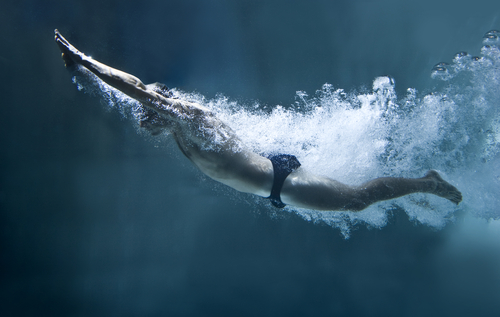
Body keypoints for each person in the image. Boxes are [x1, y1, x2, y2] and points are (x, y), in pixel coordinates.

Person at [54, 30, 462, 211]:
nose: (143, 121)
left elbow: (133, 88)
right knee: (352, 202)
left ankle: (428, 182)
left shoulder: (188, 116)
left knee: (355, 201)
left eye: (149, 112)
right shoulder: (177, 129)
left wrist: (87, 63)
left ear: (162, 103)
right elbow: (134, 96)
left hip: (283, 183)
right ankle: (421, 185)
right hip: (272, 188)